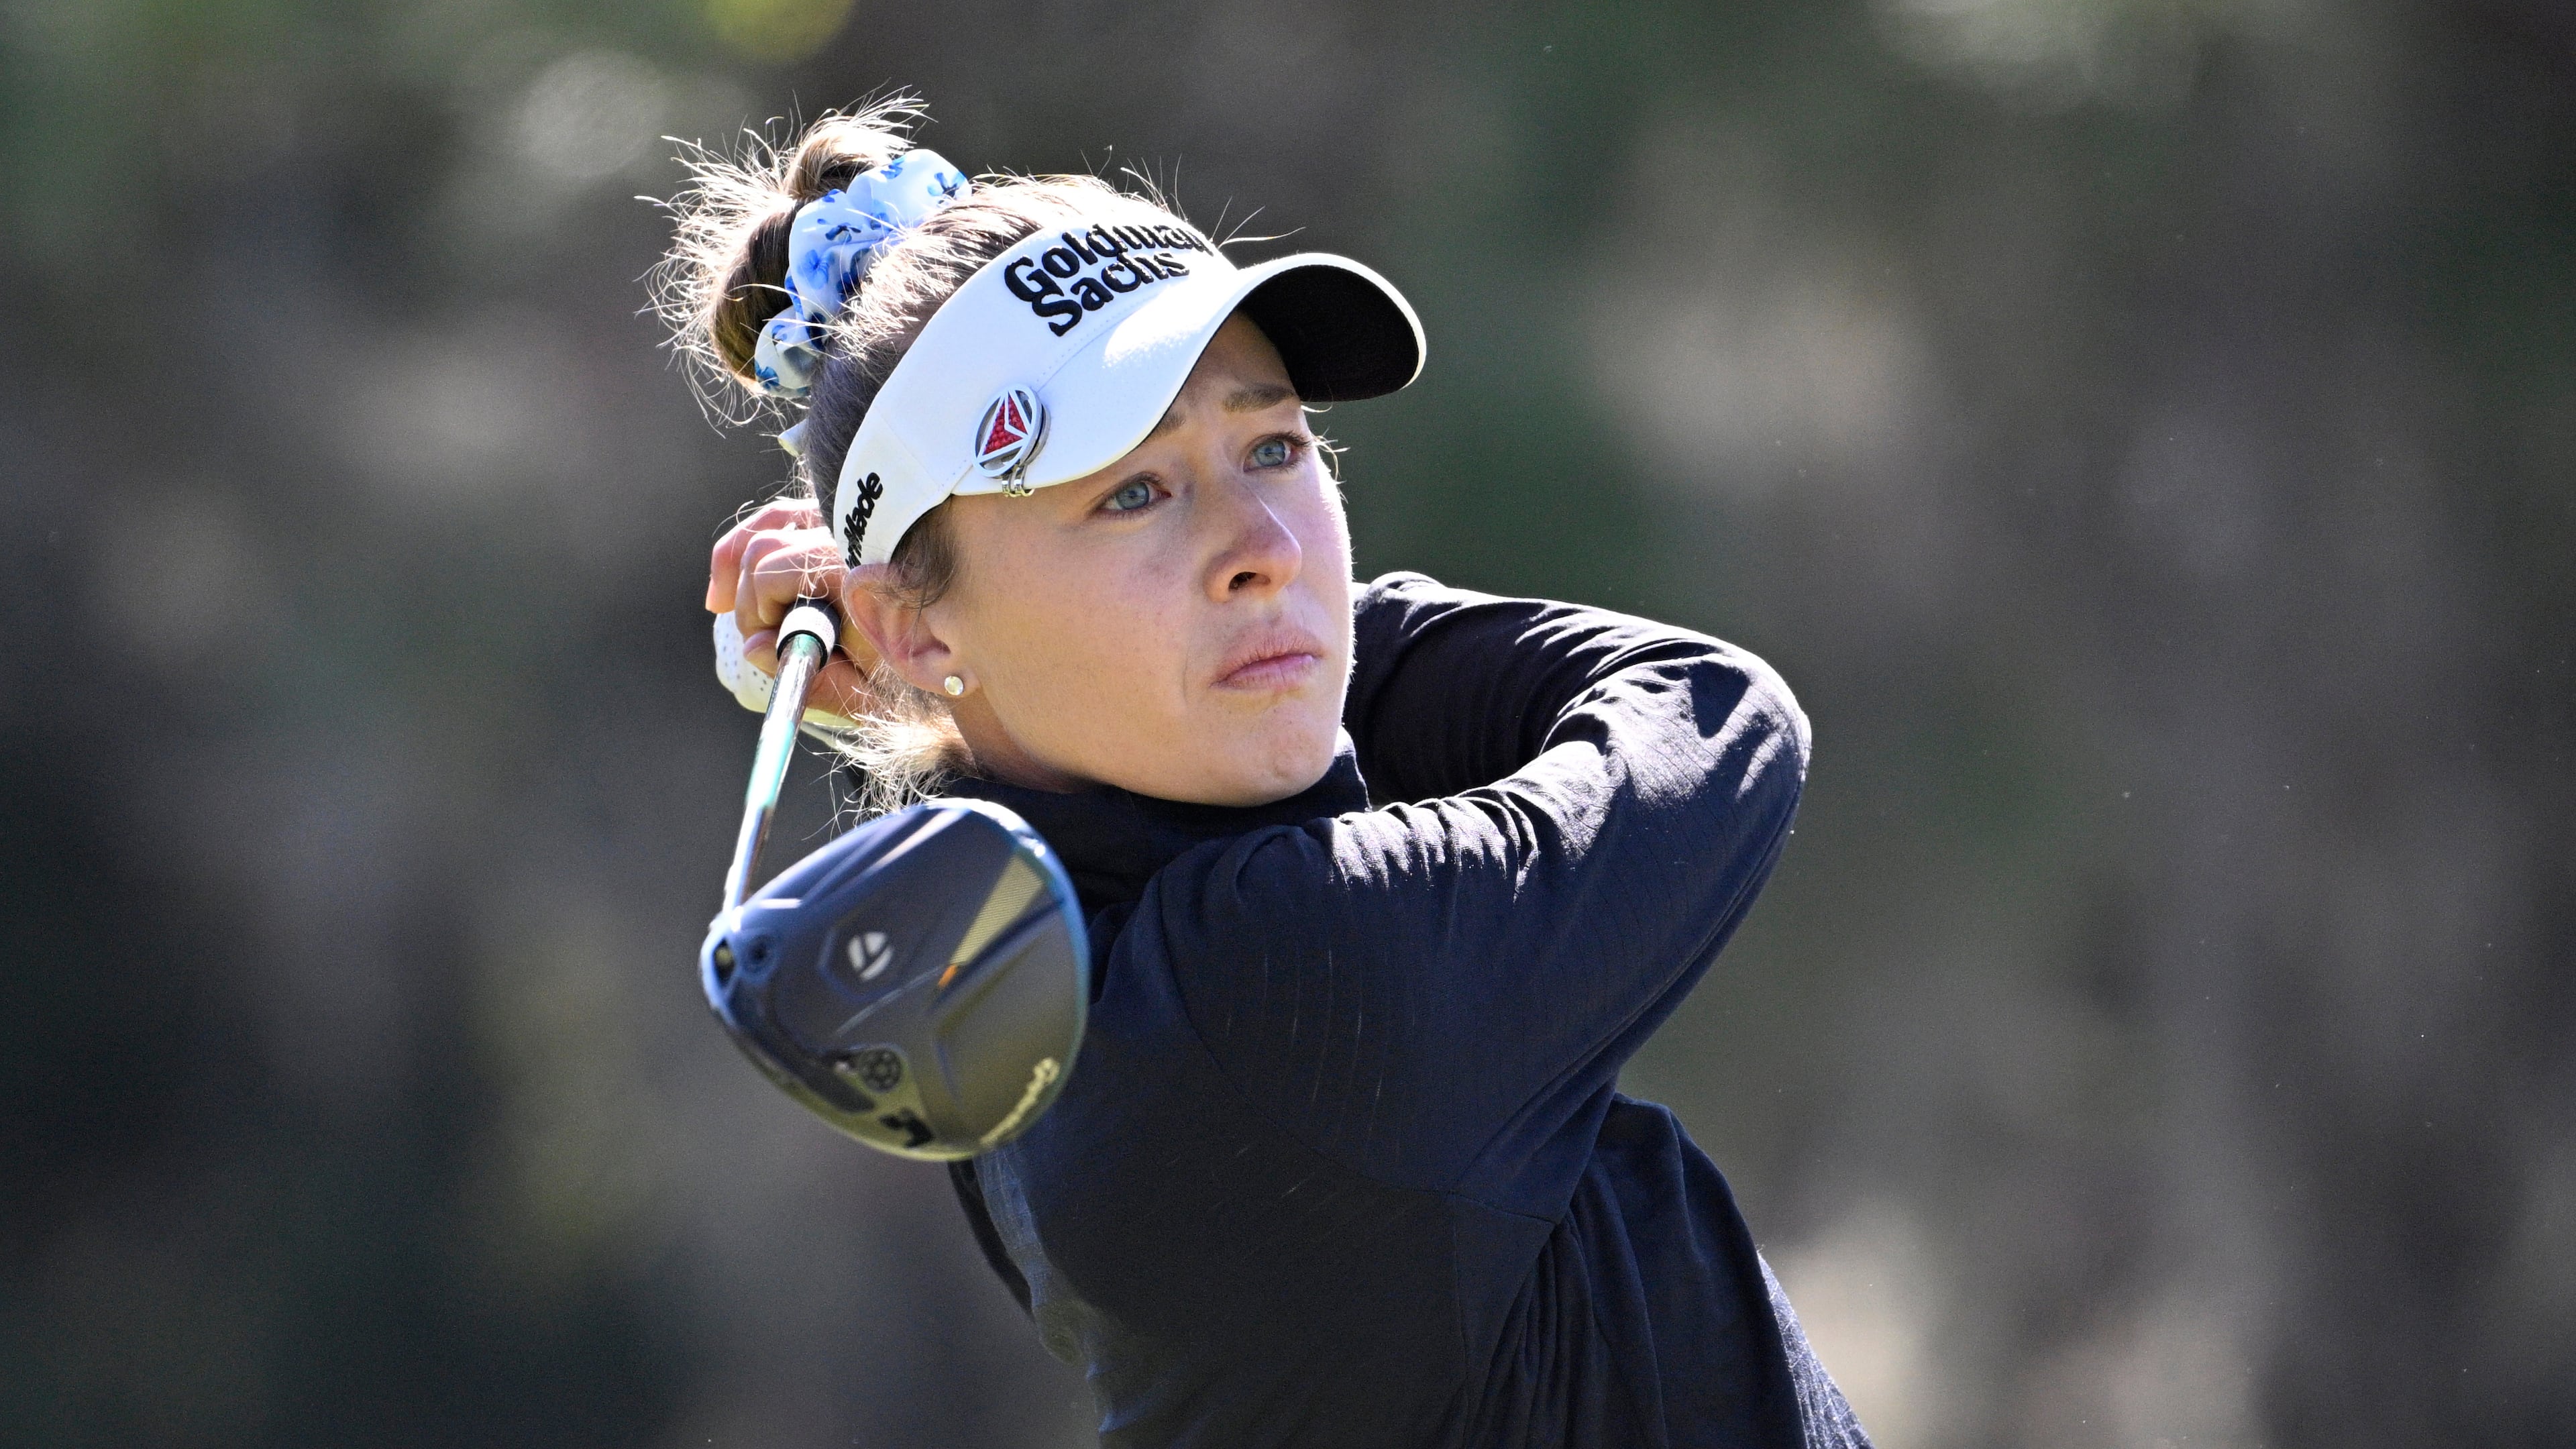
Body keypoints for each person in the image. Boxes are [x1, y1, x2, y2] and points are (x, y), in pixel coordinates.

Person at [663, 98, 1872, 1449]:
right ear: (907, 623)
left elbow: (1043, 753)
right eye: (1132, 491)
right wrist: (1287, 639)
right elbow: (1712, 715)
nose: (1267, 547)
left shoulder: (1011, 967)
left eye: (1275, 448)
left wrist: (958, 661)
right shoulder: (1289, 980)